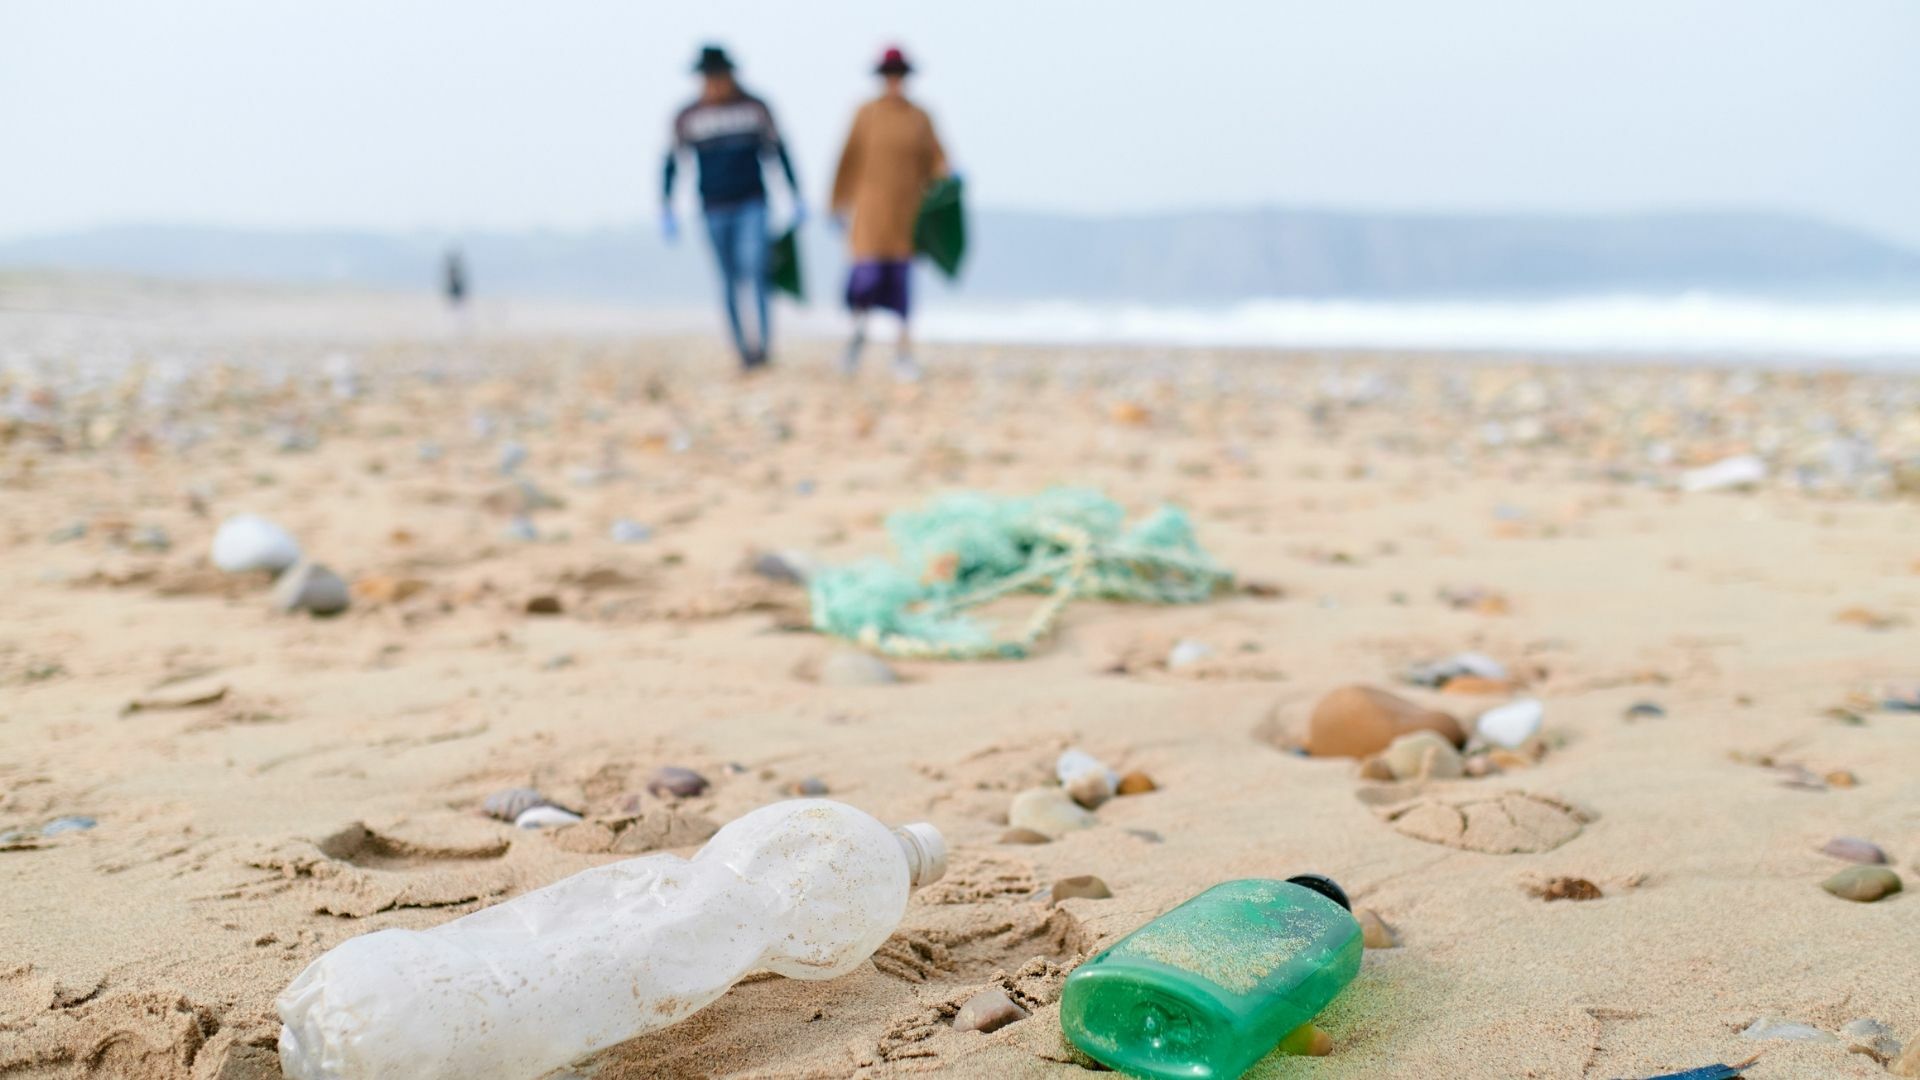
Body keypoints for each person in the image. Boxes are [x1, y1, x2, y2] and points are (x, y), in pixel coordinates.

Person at [662, 45, 803, 373]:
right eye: (707, 78)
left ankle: (764, 347)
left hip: (752, 203)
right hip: (712, 208)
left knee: (755, 270)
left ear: (730, 75)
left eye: (718, 76)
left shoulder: (755, 108)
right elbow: (672, 163)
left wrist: (794, 194)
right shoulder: (688, 116)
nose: (713, 84)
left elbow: (779, 152)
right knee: (726, 280)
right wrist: (667, 206)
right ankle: (744, 352)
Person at [830, 46, 949, 381]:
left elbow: (938, 160)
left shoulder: (919, 117)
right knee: (865, 281)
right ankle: (855, 340)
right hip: (868, 214)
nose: (894, 82)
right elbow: (847, 159)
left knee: (901, 287)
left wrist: (948, 179)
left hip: (906, 216)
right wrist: (836, 202)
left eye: (900, 76)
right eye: (889, 76)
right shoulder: (865, 114)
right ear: (882, 78)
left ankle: (902, 352)